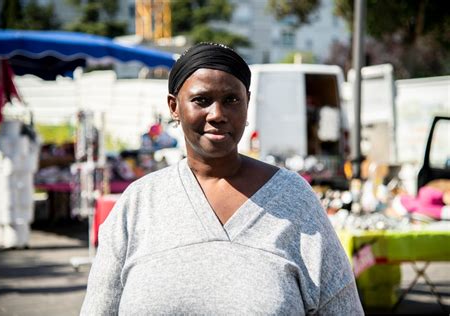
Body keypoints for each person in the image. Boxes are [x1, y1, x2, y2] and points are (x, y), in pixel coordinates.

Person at [80, 43, 363, 315]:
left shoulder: (293, 199)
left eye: (231, 100)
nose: (217, 114)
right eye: (201, 100)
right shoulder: (139, 203)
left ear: (247, 103)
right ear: (174, 106)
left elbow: (341, 307)